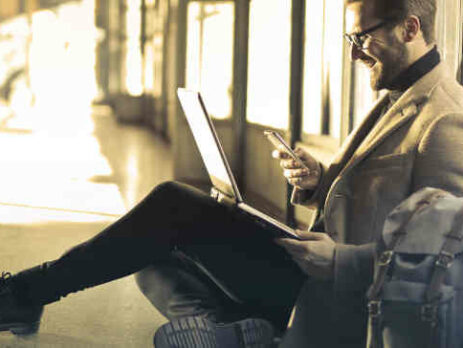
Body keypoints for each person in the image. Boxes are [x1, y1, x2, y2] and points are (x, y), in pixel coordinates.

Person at [1, 0, 462, 346]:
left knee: (171, 205)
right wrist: (320, 180)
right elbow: (381, 200)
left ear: (410, 28)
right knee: (150, 257)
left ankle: (23, 293)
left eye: (361, 38)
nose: (354, 53)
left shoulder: (445, 118)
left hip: (334, 286)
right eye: (350, 40)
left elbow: (441, 260)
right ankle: (238, 331)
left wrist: (341, 261)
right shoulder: (396, 94)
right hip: (308, 265)